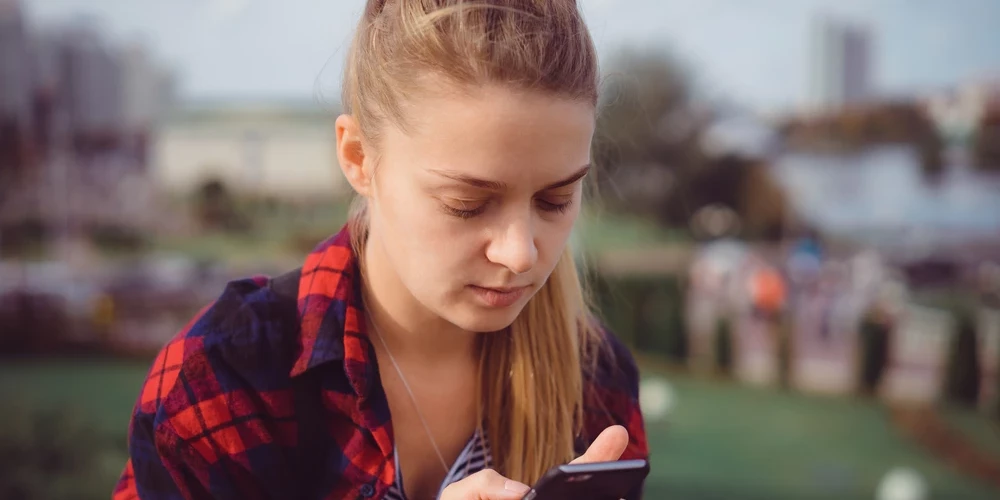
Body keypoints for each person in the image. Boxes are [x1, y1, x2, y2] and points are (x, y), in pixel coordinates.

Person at [113, 0, 649, 499]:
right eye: (467, 203)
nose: (520, 255)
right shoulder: (225, 382)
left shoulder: (596, 380)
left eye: (555, 200)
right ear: (358, 156)